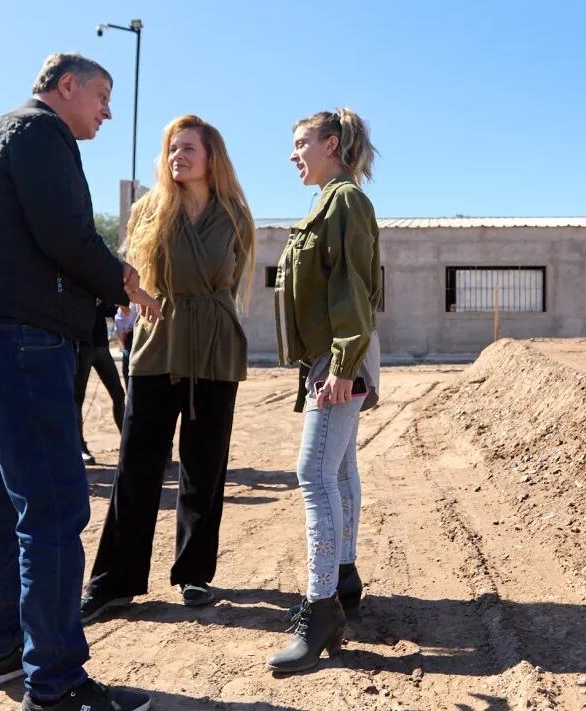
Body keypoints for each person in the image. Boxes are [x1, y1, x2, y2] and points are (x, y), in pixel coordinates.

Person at [0, 52, 158, 711]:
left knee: (8, 499)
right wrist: (119, 278)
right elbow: (65, 237)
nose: (107, 110)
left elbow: (49, 242)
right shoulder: (40, 132)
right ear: (66, 86)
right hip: (18, 335)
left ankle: (2, 650)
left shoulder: (14, 131)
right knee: (56, 502)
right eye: (101, 95)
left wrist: (100, 283)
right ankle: (58, 681)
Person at [82, 115, 255, 620]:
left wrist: (206, 310)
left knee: (205, 466)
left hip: (215, 346)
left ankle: (195, 574)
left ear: (210, 157)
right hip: (158, 343)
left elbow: (233, 278)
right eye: (172, 148)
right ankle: (114, 581)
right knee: (138, 464)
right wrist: (138, 296)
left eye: (188, 148)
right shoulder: (148, 210)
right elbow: (125, 273)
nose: (177, 156)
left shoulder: (235, 214)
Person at [267, 108, 381, 673]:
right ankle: (343, 577)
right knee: (336, 469)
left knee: (312, 473)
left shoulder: (346, 202)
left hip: (342, 356)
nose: (293, 154)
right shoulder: (327, 202)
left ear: (331, 145)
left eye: (301, 143)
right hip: (334, 354)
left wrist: (343, 363)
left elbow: (353, 288)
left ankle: (320, 608)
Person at [74, 299, 126, 465]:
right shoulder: (77, 290)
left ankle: (127, 442)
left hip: (102, 348)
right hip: (82, 347)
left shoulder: (98, 287)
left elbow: (112, 310)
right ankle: (80, 446)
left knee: (118, 394)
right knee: (78, 399)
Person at [114, 303, 136, 387]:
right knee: (126, 368)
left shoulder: (135, 307)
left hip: (139, 337)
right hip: (129, 341)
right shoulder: (118, 317)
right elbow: (121, 337)